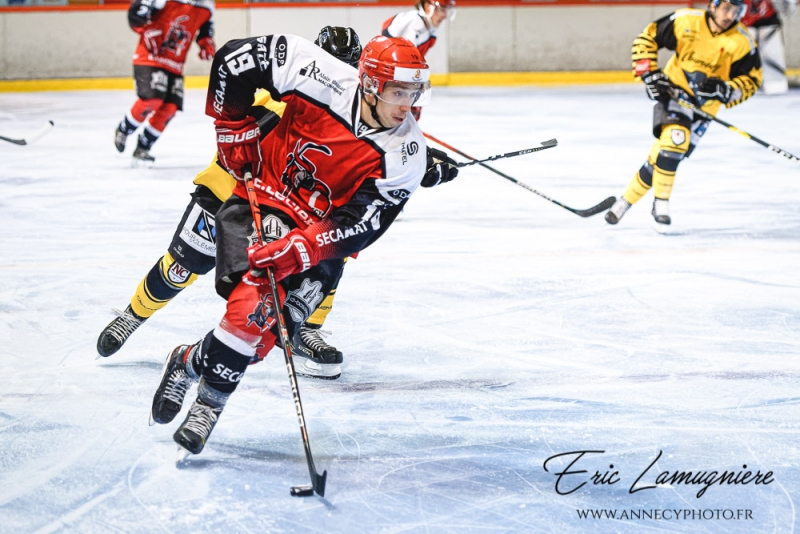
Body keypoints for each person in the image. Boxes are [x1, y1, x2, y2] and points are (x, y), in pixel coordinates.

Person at [148, 34, 458, 456]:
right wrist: (231, 125)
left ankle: (188, 361)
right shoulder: (314, 70)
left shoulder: (406, 154)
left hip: (320, 237)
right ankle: (209, 406)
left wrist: (303, 248)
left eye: (414, 93)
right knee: (252, 308)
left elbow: (361, 224)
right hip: (264, 199)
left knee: (264, 337)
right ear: (369, 84)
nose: (408, 106)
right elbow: (234, 61)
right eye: (397, 92)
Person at [97, 27, 365, 380]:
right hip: (228, 192)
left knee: (332, 248)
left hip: (289, 208)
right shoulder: (281, 100)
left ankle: (306, 330)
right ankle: (134, 314)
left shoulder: (354, 123)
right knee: (181, 266)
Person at [604, 0, 763, 231]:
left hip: (704, 110)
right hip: (674, 95)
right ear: (713, 6)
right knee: (675, 141)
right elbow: (647, 37)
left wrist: (725, 90)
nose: (730, 15)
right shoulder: (686, 21)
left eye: (736, 10)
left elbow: (752, 80)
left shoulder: (742, 41)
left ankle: (624, 202)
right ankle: (661, 204)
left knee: (664, 157)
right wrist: (649, 74)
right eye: (726, 8)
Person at [114, 0, 216, 164]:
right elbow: (136, 13)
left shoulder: (208, 6)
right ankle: (124, 129)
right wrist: (147, 30)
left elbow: (205, 31)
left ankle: (143, 147)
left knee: (170, 108)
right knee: (152, 100)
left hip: (176, 64)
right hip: (150, 57)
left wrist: (206, 43)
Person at [382, 0, 456, 121]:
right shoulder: (416, 22)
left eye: (447, 10)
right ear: (427, 6)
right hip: (392, 76)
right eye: (442, 10)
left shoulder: (430, 27)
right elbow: (405, 60)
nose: (445, 15)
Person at [742, 0, 797, 94]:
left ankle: (775, 86)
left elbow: (787, 9)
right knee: (742, 59)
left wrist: (789, 2)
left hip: (768, 22)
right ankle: (742, 87)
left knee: (776, 83)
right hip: (742, 24)